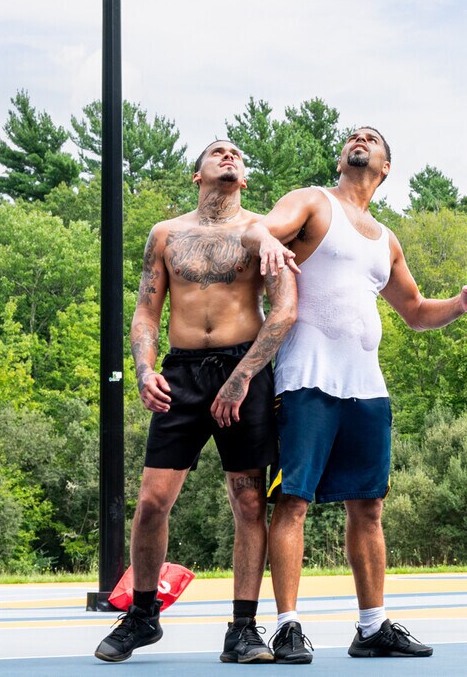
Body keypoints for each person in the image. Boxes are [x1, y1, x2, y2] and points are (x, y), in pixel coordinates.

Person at [251, 126, 467, 661]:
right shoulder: (312, 201)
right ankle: (287, 626)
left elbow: (415, 311)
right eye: (352, 137)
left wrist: (457, 303)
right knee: (293, 501)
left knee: (370, 507)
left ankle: (372, 626)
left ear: (385, 168)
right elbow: (262, 231)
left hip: (366, 387)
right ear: (343, 158)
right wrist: (266, 237)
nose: (359, 139)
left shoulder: (386, 239)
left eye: (372, 138)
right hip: (305, 378)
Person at [94, 140, 299, 665]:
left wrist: (242, 377)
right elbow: (145, 312)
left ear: (245, 179)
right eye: (217, 151)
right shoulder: (165, 234)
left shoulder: (262, 233)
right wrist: (144, 369)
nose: (229, 155)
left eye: (236, 153)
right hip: (180, 373)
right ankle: (143, 615)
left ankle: (244, 629)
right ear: (197, 174)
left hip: (245, 371)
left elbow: (283, 312)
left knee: (250, 502)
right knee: (151, 503)